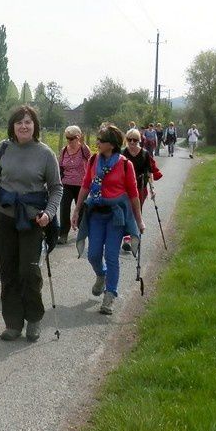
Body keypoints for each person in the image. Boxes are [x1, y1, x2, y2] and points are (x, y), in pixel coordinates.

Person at [0, 105, 62, 343]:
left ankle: (33, 318)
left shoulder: (45, 154)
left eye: (28, 122)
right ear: (12, 126)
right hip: (3, 217)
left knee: (29, 271)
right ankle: (13, 323)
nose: (23, 126)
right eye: (19, 122)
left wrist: (50, 213)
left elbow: (56, 188)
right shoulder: (3, 148)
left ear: (35, 126)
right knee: (9, 272)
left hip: (33, 220)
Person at [71, 124, 144, 315]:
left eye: (101, 140)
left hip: (116, 217)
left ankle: (110, 295)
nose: (97, 143)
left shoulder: (125, 165)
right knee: (94, 254)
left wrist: (139, 220)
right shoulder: (94, 160)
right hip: (96, 214)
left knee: (112, 255)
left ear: (111, 145)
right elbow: (86, 185)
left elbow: (134, 194)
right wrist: (77, 210)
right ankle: (101, 275)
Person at [121, 128, 162, 251]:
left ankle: (134, 235)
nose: (132, 143)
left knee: (136, 211)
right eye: (130, 140)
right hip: (124, 189)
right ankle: (127, 238)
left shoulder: (144, 154)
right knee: (126, 211)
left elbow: (149, 173)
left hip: (140, 187)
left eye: (135, 140)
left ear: (139, 141)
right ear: (126, 140)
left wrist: (152, 189)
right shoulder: (122, 153)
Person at [57, 125, 91, 245]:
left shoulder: (83, 149)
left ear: (78, 137)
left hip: (81, 185)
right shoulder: (64, 150)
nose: (69, 141)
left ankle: (82, 232)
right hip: (66, 183)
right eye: (67, 138)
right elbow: (60, 166)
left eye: (72, 138)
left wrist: (83, 144)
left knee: (81, 208)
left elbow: (91, 160)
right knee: (64, 208)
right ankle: (63, 234)